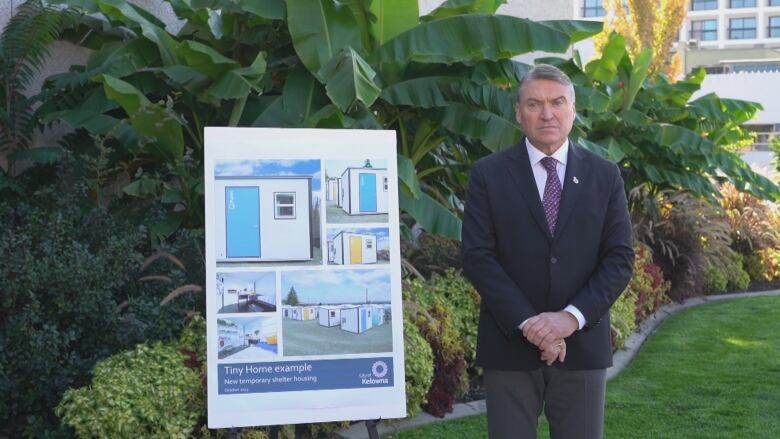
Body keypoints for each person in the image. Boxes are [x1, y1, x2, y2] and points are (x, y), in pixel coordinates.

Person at [461, 64, 635, 438]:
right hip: (509, 346)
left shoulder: (605, 176)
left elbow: (619, 259)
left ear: (573, 109)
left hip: (582, 347)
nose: (547, 113)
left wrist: (569, 319)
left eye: (557, 102)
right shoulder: (487, 175)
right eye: (534, 103)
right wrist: (531, 324)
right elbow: (478, 256)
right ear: (519, 112)